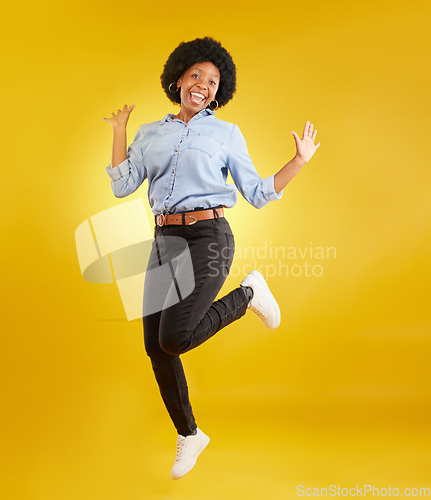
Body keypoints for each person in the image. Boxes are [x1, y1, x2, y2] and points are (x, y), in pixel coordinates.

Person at [103, 37, 321, 480]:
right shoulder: (151, 133)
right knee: (155, 347)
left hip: (208, 235)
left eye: (213, 81)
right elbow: (122, 186)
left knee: (174, 338)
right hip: (165, 239)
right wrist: (121, 132)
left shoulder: (226, 133)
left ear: (218, 92)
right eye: (196, 75)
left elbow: (258, 193)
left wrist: (298, 162)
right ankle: (190, 434)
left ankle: (248, 295)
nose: (202, 85)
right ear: (179, 78)